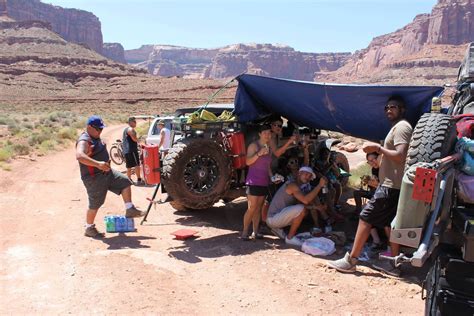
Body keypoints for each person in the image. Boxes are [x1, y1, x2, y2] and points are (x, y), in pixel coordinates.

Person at [328, 95, 413, 276]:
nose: (389, 110)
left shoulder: (402, 128)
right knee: (391, 225)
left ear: (402, 109)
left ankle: (351, 260)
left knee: (366, 216)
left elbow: (400, 156)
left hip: (391, 186)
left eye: (394, 107)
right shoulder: (396, 127)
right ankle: (393, 264)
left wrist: (378, 149)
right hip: (391, 185)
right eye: (387, 107)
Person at [76, 115, 145, 238]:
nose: (100, 131)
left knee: (125, 181)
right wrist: (98, 164)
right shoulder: (84, 140)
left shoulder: (95, 137)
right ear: (89, 127)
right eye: (98, 129)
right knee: (95, 203)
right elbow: (80, 156)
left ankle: (130, 209)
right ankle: (89, 228)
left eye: (101, 129)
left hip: (107, 173)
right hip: (94, 177)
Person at [266, 166, 327, 246]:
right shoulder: (292, 185)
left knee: (303, 210)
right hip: (273, 218)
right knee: (301, 209)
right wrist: (319, 186)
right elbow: (305, 200)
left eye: (309, 176)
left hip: (277, 216)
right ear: (299, 173)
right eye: (306, 174)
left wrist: (317, 207)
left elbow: (304, 204)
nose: (308, 177)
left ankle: (278, 229)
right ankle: (290, 238)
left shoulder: (299, 187)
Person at [242, 124, 273, 240]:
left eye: (269, 133)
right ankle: (245, 232)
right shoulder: (254, 146)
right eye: (265, 133)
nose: (267, 135)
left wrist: (272, 176)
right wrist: (259, 153)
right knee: (252, 207)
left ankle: (255, 231)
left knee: (259, 208)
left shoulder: (268, 147)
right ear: (259, 134)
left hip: (263, 181)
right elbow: (248, 162)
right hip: (253, 181)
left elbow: (268, 165)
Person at [352, 152, 385, 251]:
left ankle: (377, 241)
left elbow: (383, 186)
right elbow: (374, 185)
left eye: (373, 159)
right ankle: (357, 211)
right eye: (369, 161)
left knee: (367, 211)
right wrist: (368, 181)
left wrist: (374, 184)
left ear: (379, 158)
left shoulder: (385, 168)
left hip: (384, 196)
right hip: (376, 194)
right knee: (357, 193)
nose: (372, 162)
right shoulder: (374, 169)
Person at [122, 117, 143, 185]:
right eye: (134, 121)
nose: (135, 123)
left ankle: (129, 179)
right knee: (137, 165)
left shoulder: (125, 129)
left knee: (129, 166)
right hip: (132, 150)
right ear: (131, 122)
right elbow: (134, 139)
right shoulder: (131, 129)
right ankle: (139, 180)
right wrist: (140, 141)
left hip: (126, 150)